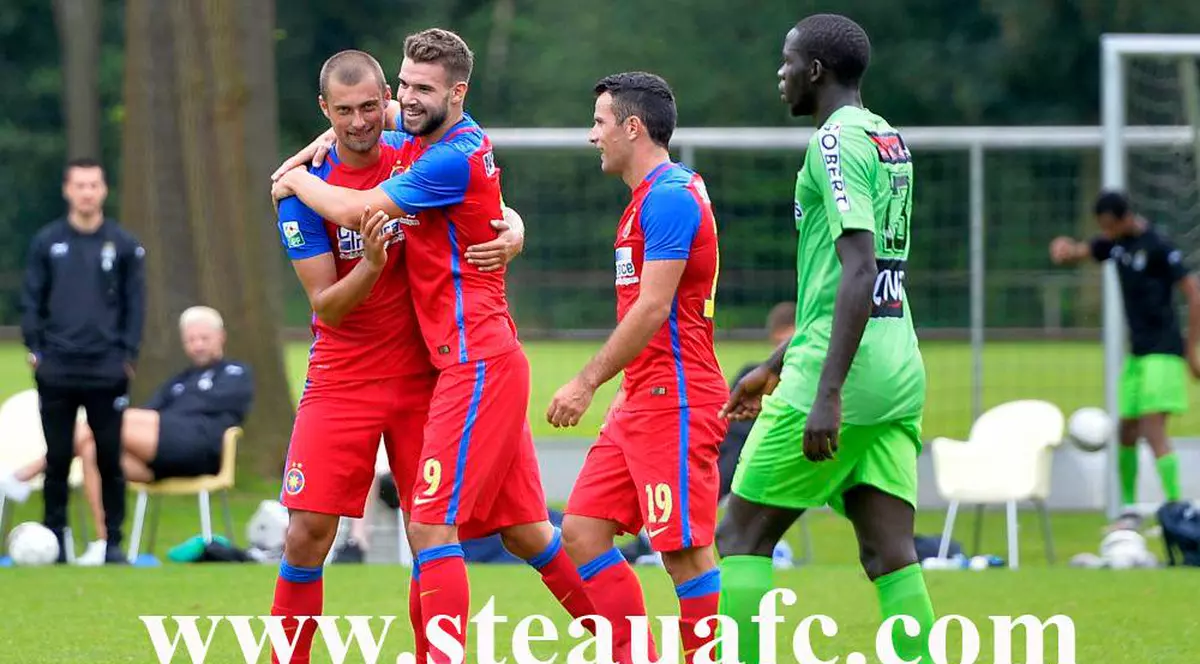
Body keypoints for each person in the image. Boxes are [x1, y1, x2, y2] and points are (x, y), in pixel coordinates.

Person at [271, 31, 594, 663]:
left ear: (385, 99)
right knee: (308, 533)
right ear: (325, 111)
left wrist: (516, 230)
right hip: (343, 377)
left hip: (432, 373)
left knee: (444, 533)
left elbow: (475, 198)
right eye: (344, 112)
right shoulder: (308, 196)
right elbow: (326, 306)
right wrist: (367, 265)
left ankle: (620, 640)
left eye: (371, 107)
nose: (361, 121)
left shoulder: (407, 150)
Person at [714, 14, 935, 663]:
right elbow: (856, 279)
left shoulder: (834, 143)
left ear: (815, 71)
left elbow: (860, 268)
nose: (779, 75)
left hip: (843, 375)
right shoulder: (888, 138)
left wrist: (826, 392)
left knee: (739, 537)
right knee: (889, 552)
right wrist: (776, 363)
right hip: (898, 367)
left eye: (786, 63)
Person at [545, 71, 727, 664]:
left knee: (683, 550)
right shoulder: (646, 201)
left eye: (599, 122)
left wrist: (585, 381)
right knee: (582, 530)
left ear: (632, 126)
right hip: (641, 401)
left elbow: (654, 308)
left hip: (676, 398)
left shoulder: (671, 196)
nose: (591, 135)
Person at [1, 305, 252, 565]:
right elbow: (150, 411)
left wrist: (143, 421)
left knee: (106, 421)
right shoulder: (179, 381)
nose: (197, 345)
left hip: (197, 449)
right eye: (191, 340)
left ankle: (26, 473)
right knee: (93, 449)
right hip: (158, 456)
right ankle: (104, 544)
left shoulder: (236, 373)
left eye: (204, 338)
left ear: (220, 337)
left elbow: (198, 412)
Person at [19, 157, 146, 564]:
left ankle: (112, 543)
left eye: (94, 185)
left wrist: (127, 354)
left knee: (109, 456)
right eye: (80, 185)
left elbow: (135, 303)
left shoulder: (123, 245)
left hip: (107, 368)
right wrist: (36, 349)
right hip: (57, 365)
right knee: (57, 457)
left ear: (104, 190)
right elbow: (32, 299)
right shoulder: (46, 242)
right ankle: (55, 541)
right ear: (67, 190)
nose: (87, 192)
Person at [1050, 190, 1200, 519]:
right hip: (1138, 354)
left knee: (1153, 429)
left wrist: (1192, 349)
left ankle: (1178, 508)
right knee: (1126, 431)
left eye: (1108, 226)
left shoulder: (1158, 246)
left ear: (1125, 218)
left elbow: (1194, 292)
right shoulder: (1114, 244)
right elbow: (1084, 251)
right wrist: (1066, 249)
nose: (1105, 232)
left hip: (1164, 351)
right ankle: (1129, 509)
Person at [718, 301, 795, 500]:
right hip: (732, 445)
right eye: (779, 345)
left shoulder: (808, 385)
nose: (783, 352)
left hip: (769, 452)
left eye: (787, 344)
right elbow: (727, 416)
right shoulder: (751, 374)